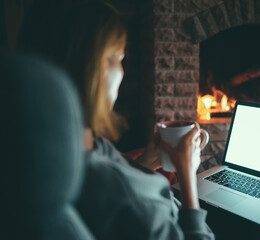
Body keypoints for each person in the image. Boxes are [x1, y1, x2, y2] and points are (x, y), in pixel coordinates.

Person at [48, 1, 214, 240]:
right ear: (97, 70)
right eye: (119, 60)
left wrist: (147, 161)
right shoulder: (135, 199)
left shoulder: (62, 152)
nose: (122, 73)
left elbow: (109, 163)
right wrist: (187, 174)